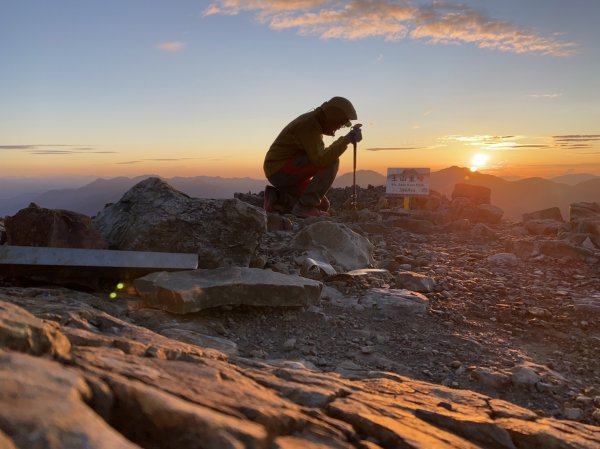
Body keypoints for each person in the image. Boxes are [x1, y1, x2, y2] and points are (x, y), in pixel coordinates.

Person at [263, 96, 363, 218]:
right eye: (340, 123)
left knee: (323, 205)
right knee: (332, 162)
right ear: (333, 117)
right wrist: (346, 140)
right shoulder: (309, 125)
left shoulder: (314, 122)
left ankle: (278, 198)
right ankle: (304, 208)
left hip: (282, 169)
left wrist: (346, 140)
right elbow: (321, 160)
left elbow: (320, 155)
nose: (339, 127)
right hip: (280, 169)